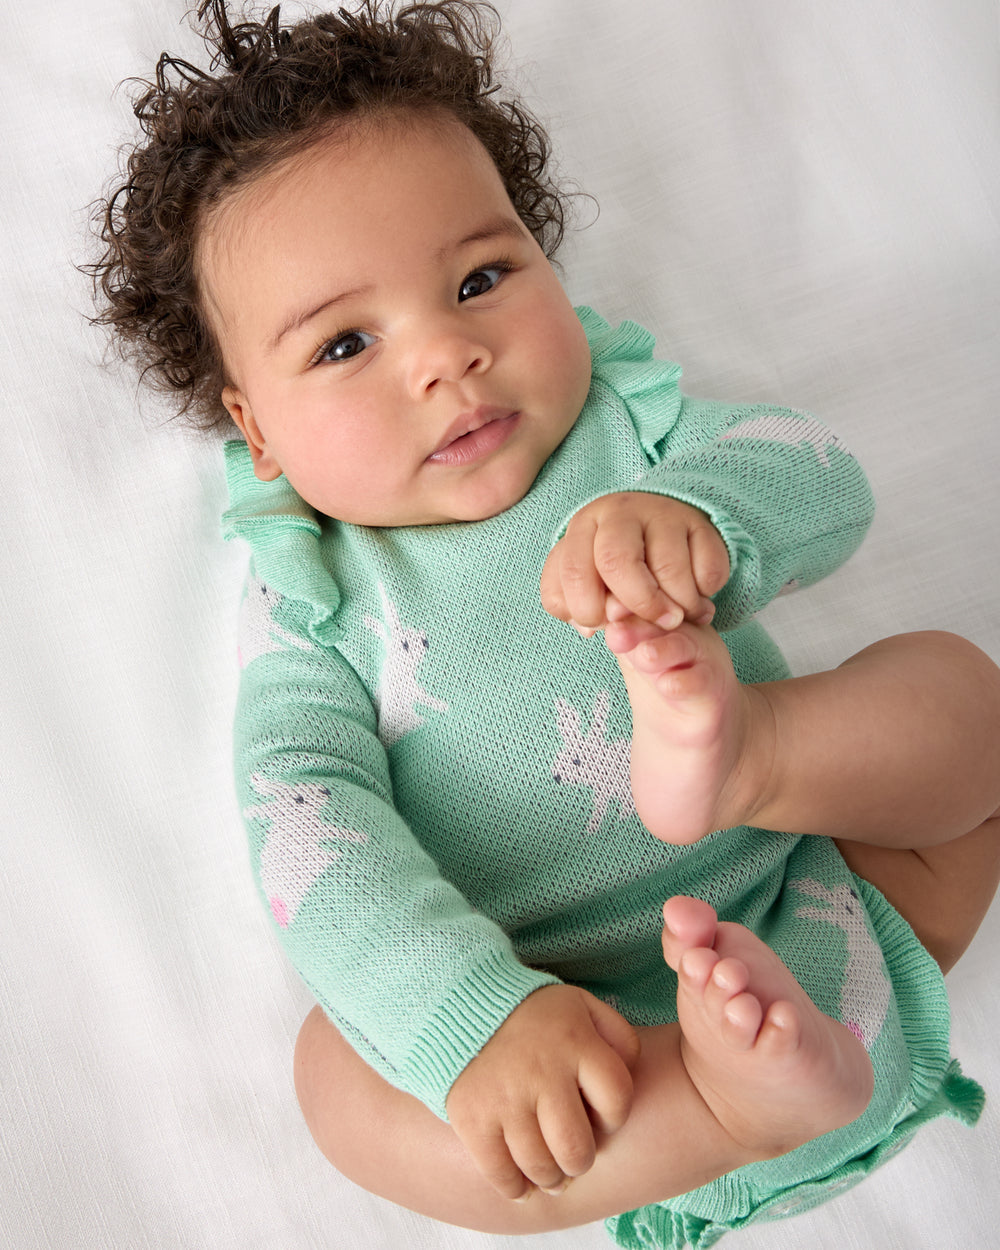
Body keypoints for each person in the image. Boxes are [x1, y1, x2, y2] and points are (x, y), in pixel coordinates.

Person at [87, 2, 1000, 1245]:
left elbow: (820, 472)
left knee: (957, 696)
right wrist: (469, 1019)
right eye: (347, 341)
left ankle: (750, 750)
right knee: (332, 1078)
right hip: (582, 1056)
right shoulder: (318, 602)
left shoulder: (629, 442)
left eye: (479, 278)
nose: (447, 356)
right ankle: (725, 1114)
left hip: (822, 909)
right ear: (257, 432)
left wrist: (701, 517)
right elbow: (306, 825)